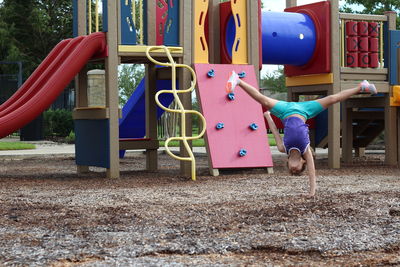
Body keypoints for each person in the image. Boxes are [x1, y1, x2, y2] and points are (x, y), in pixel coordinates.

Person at [226, 71, 377, 197]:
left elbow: (273, 132)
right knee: (333, 98)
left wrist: (267, 116)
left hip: (285, 111)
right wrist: (312, 192)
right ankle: (361, 87)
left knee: (262, 99)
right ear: (302, 162)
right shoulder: (306, 149)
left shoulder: (282, 148)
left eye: (291, 170)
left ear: (287, 163)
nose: (293, 169)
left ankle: (237, 80)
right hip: (305, 110)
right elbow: (312, 173)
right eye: (297, 170)